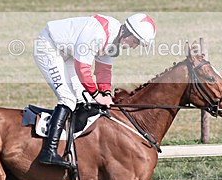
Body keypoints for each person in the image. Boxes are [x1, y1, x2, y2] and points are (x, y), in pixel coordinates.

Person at [33, 13, 156, 167]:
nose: (134, 46)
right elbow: (82, 67)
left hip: (68, 53)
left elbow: (103, 70)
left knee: (84, 99)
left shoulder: (114, 41)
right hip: (48, 47)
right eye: (136, 41)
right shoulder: (99, 33)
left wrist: (105, 93)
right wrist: (97, 94)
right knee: (68, 98)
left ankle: (73, 147)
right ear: (127, 32)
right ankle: (48, 152)